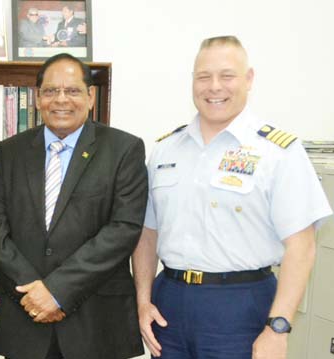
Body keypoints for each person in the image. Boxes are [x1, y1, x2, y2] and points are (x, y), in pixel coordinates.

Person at [132, 35, 333, 359]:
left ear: (248, 79)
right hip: (170, 302)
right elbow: (147, 232)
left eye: (226, 76)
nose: (214, 87)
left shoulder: (277, 152)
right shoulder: (166, 149)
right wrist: (143, 300)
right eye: (203, 76)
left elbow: (302, 246)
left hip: (241, 305)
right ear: (193, 81)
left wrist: (278, 327)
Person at [0, 53, 147, 359]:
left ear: (91, 96)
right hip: (25, 318)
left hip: (96, 324)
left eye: (72, 91)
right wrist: (33, 292)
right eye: (50, 91)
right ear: (37, 98)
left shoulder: (124, 150)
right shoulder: (10, 152)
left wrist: (57, 291)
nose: (61, 100)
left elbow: (123, 230)